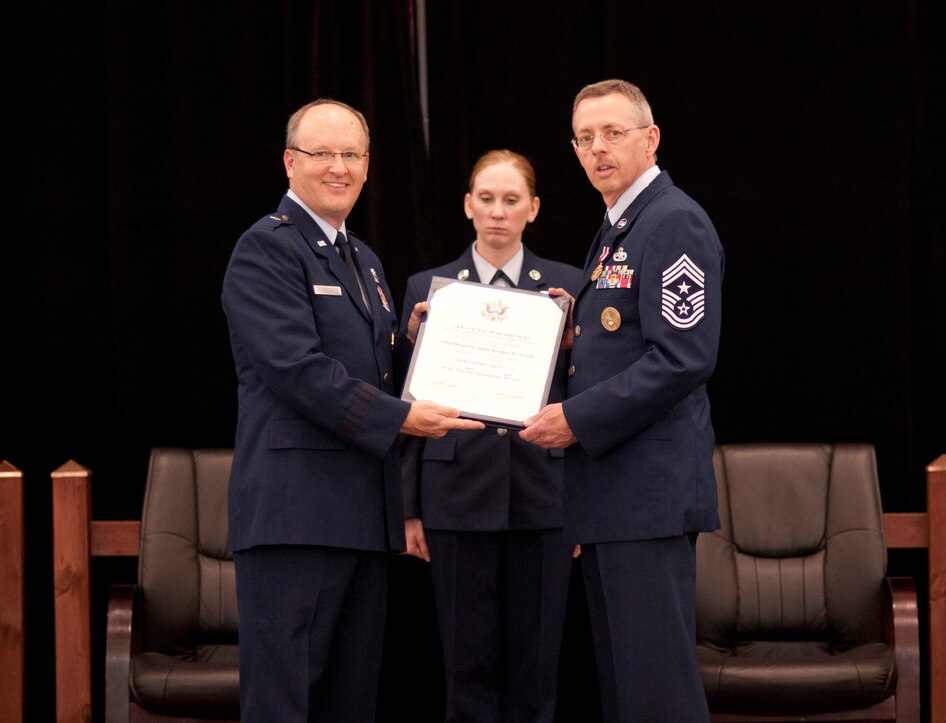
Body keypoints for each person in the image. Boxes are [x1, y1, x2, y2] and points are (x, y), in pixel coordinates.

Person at [221, 98, 483, 722]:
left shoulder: (362, 260)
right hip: (296, 518)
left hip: (361, 519)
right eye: (322, 154)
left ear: (367, 166)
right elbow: (300, 371)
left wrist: (421, 341)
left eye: (352, 155)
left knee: (350, 703)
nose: (338, 167)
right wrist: (402, 419)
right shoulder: (266, 249)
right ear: (290, 162)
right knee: (287, 703)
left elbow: (372, 363)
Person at [520, 79, 723, 721]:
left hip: (647, 496)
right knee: (627, 695)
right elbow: (629, 336)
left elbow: (682, 357)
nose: (598, 149)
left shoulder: (673, 220)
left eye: (613, 133)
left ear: (650, 138)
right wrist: (569, 329)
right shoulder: (618, 225)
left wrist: (575, 419)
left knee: (656, 694)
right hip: (613, 496)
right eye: (585, 138)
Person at [399, 149, 582, 722]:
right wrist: (408, 509)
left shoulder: (568, 288)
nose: (497, 212)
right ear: (467, 206)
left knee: (537, 670)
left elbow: (585, 403)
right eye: (486, 198)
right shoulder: (429, 290)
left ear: (533, 208)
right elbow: (403, 413)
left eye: (510, 200)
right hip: (454, 496)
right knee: (465, 668)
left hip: (546, 495)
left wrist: (585, 506)